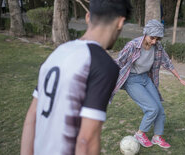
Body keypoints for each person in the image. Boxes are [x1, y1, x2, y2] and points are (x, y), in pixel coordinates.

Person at [20, 0, 132, 154]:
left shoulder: (58, 52)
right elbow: (86, 142)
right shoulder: (103, 65)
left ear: (87, 17)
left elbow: (31, 117)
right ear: (120, 22)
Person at [112, 19, 185, 149]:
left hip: (146, 78)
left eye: (157, 39)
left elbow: (167, 63)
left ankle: (157, 137)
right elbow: (118, 62)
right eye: (152, 38)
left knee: (160, 109)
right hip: (132, 80)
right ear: (145, 33)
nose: (154, 41)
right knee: (151, 108)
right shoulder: (133, 45)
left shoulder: (157, 47)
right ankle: (140, 134)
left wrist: (179, 79)